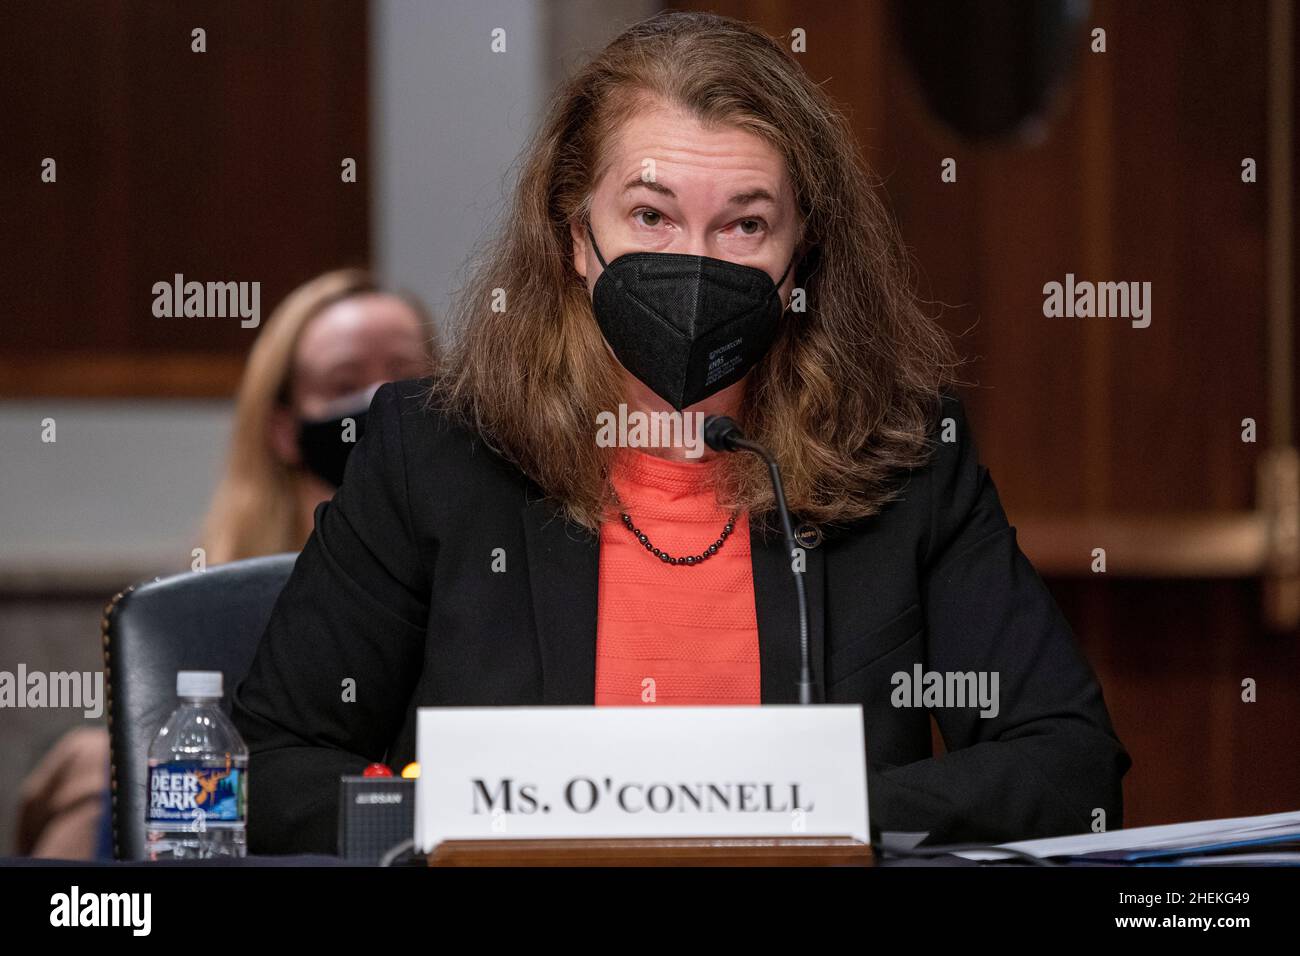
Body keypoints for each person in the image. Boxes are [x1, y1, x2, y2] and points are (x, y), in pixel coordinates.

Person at [232, 11, 1130, 854]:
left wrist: (806, 822)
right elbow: (267, 769)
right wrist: (493, 822)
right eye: (652, 216)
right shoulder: (435, 451)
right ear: (574, 234)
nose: (696, 264)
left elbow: (1071, 765)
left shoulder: (903, 458)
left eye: (745, 224)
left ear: (799, 256)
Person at [202, 268, 435, 563]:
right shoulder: (225, 600)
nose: (382, 398)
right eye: (344, 385)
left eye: (406, 376)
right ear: (282, 429)